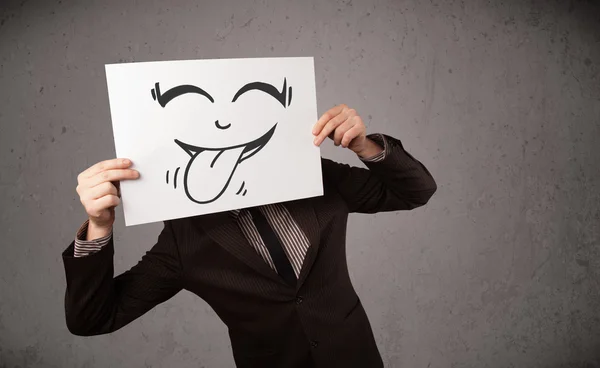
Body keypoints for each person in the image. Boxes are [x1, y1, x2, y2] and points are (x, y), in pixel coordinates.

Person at [62, 104, 437, 368]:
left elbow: (415, 191)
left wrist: (363, 145)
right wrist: (99, 226)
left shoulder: (316, 177)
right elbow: (93, 318)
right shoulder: (185, 238)